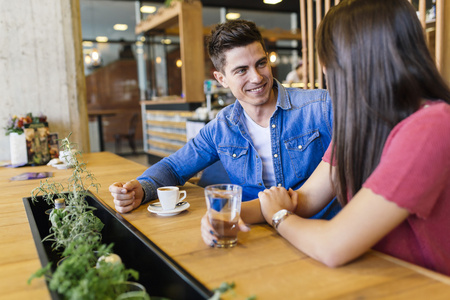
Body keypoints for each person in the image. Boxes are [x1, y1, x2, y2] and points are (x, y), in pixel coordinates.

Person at [202, 0, 450, 275]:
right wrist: (226, 213)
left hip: (422, 284)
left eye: (329, 60)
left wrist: (279, 217)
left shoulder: (431, 127)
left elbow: (333, 245)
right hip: (371, 274)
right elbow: (304, 199)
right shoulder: (363, 122)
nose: (325, 72)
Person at [109, 20, 340, 220]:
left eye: (261, 63)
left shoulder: (321, 107)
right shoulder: (221, 127)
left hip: (319, 228)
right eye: (241, 70)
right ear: (221, 79)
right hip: (254, 230)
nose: (257, 77)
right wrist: (141, 188)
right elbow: (174, 167)